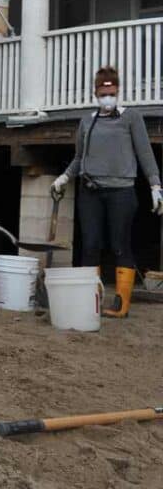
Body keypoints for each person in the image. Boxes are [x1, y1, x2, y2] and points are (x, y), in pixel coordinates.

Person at [51, 66, 162, 318]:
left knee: (120, 244)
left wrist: (155, 185)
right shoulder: (87, 121)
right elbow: (80, 157)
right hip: (91, 190)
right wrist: (64, 177)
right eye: (103, 93)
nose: (108, 97)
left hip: (121, 192)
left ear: (118, 91)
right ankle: (91, 301)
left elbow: (145, 153)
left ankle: (120, 304)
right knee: (90, 245)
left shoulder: (131, 118)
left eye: (111, 92)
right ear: (96, 93)